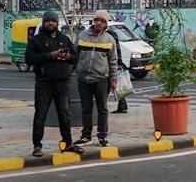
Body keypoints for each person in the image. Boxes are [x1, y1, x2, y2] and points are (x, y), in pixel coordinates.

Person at [24, 11, 84, 157]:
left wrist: (68, 56)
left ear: (57, 23)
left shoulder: (64, 39)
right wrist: (49, 55)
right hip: (44, 83)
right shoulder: (36, 40)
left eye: (53, 21)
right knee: (40, 115)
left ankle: (68, 142)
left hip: (63, 83)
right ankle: (37, 145)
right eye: (48, 21)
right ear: (44, 22)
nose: (50, 23)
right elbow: (29, 58)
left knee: (65, 114)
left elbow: (75, 57)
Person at [74, 10, 118, 147]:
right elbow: (75, 55)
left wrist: (114, 79)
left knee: (102, 109)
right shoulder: (82, 35)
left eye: (102, 21)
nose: (99, 22)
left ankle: (102, 136)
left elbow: (113, 61)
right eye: (97, 19)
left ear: (106, 24)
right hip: (83, 79)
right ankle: (86, 135)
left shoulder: (109, 39)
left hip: (101, 79)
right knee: (86, 108)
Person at [108, 27, 128, 114]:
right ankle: (122, 105)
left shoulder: (111, 34)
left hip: (111, 62)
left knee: (114, 84)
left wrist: (119, 63)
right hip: (111, 62)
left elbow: (117, 49)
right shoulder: (112, 33)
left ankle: (122, 105)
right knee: (116, 84)